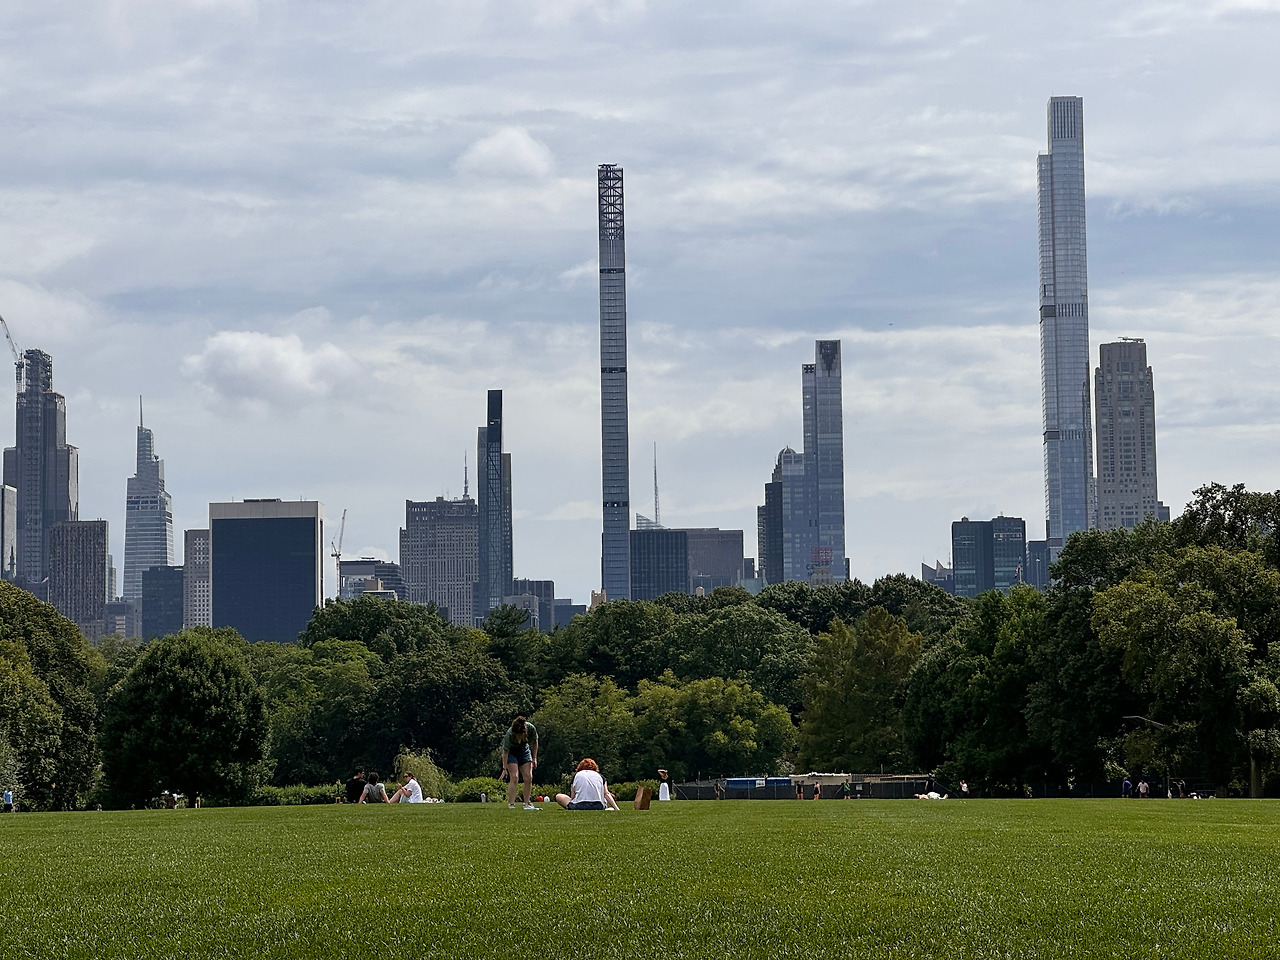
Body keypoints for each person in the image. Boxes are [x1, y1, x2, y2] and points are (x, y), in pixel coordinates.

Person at [500, 716, 540, 810]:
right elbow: (505, 752)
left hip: (524, 751)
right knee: (514, 777)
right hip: (512, 753)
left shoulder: (531, 728)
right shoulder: (509, 734)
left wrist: (534, 758)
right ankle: (511, 804)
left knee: (528, 777)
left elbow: (535, 742)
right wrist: (504, 768)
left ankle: (526, 803)